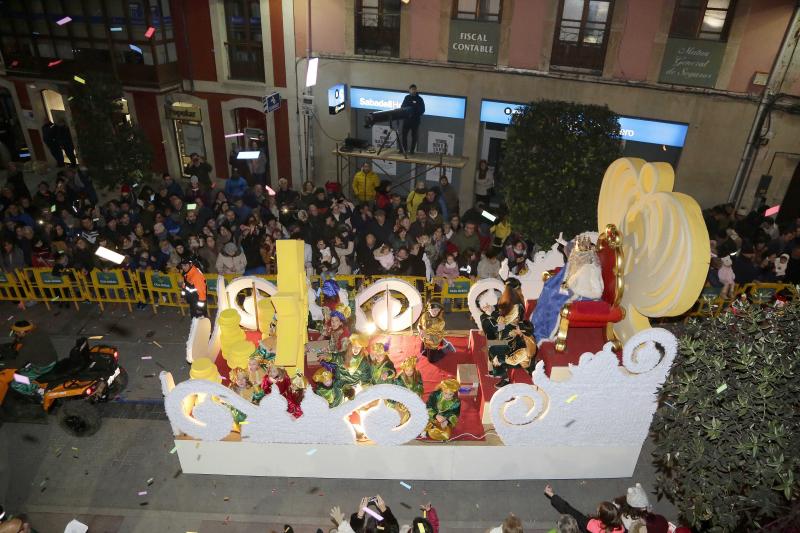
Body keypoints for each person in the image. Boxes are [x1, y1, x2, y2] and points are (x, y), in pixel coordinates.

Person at [544, 484, 625, 533]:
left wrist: (552, 495)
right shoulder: (621, 528)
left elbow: (570, 511)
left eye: (598, 511)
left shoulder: (592, 525)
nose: (596, 510)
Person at [7, 320, 58, 397]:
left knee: (16, 382)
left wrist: (3, 365)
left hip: (42, 366)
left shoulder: (27, 347)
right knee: (23, 370)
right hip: (52, 358)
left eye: (16, 332)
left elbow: (17, 364)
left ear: (22, 332)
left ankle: (39, 390)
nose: (15, 333)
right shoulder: (39, 331)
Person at [401, 84, 425, 154]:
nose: (413, 91)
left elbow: (422, 110)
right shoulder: (407, 98)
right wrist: (407, 112)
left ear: (416, 90)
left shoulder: (420, 99)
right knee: (404, 135)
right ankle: (404, 149)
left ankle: (412, 151)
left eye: (414, 89)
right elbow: (402, 107)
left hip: (415, 121)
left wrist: (414, 112)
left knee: (414, 137)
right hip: (406, 121)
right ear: (409, 90)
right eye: (412, 89)